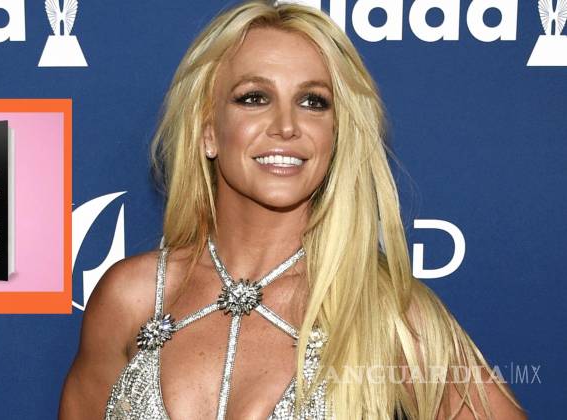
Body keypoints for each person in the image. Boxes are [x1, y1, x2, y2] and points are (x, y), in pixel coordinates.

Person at [59, 1, 528, 419]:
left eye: (312, 102)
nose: (286, 125)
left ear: (336, 135)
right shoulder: (131, 298)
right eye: (254, 98)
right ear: (208, 131)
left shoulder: (387, 314)